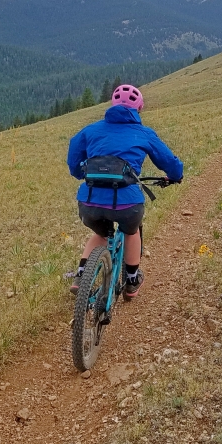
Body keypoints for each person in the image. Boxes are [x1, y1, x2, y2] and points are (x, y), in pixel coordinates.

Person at [66, 84, 183, 298]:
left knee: (100, 234)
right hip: (127, 203)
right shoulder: (143, 133)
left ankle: (81, 275)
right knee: (132, 231)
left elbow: (74, 157)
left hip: (89, 202)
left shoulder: (90, 130)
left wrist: (78, 173)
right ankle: (131, 281)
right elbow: (169, 162)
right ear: (138, 109)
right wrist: (175, 176)